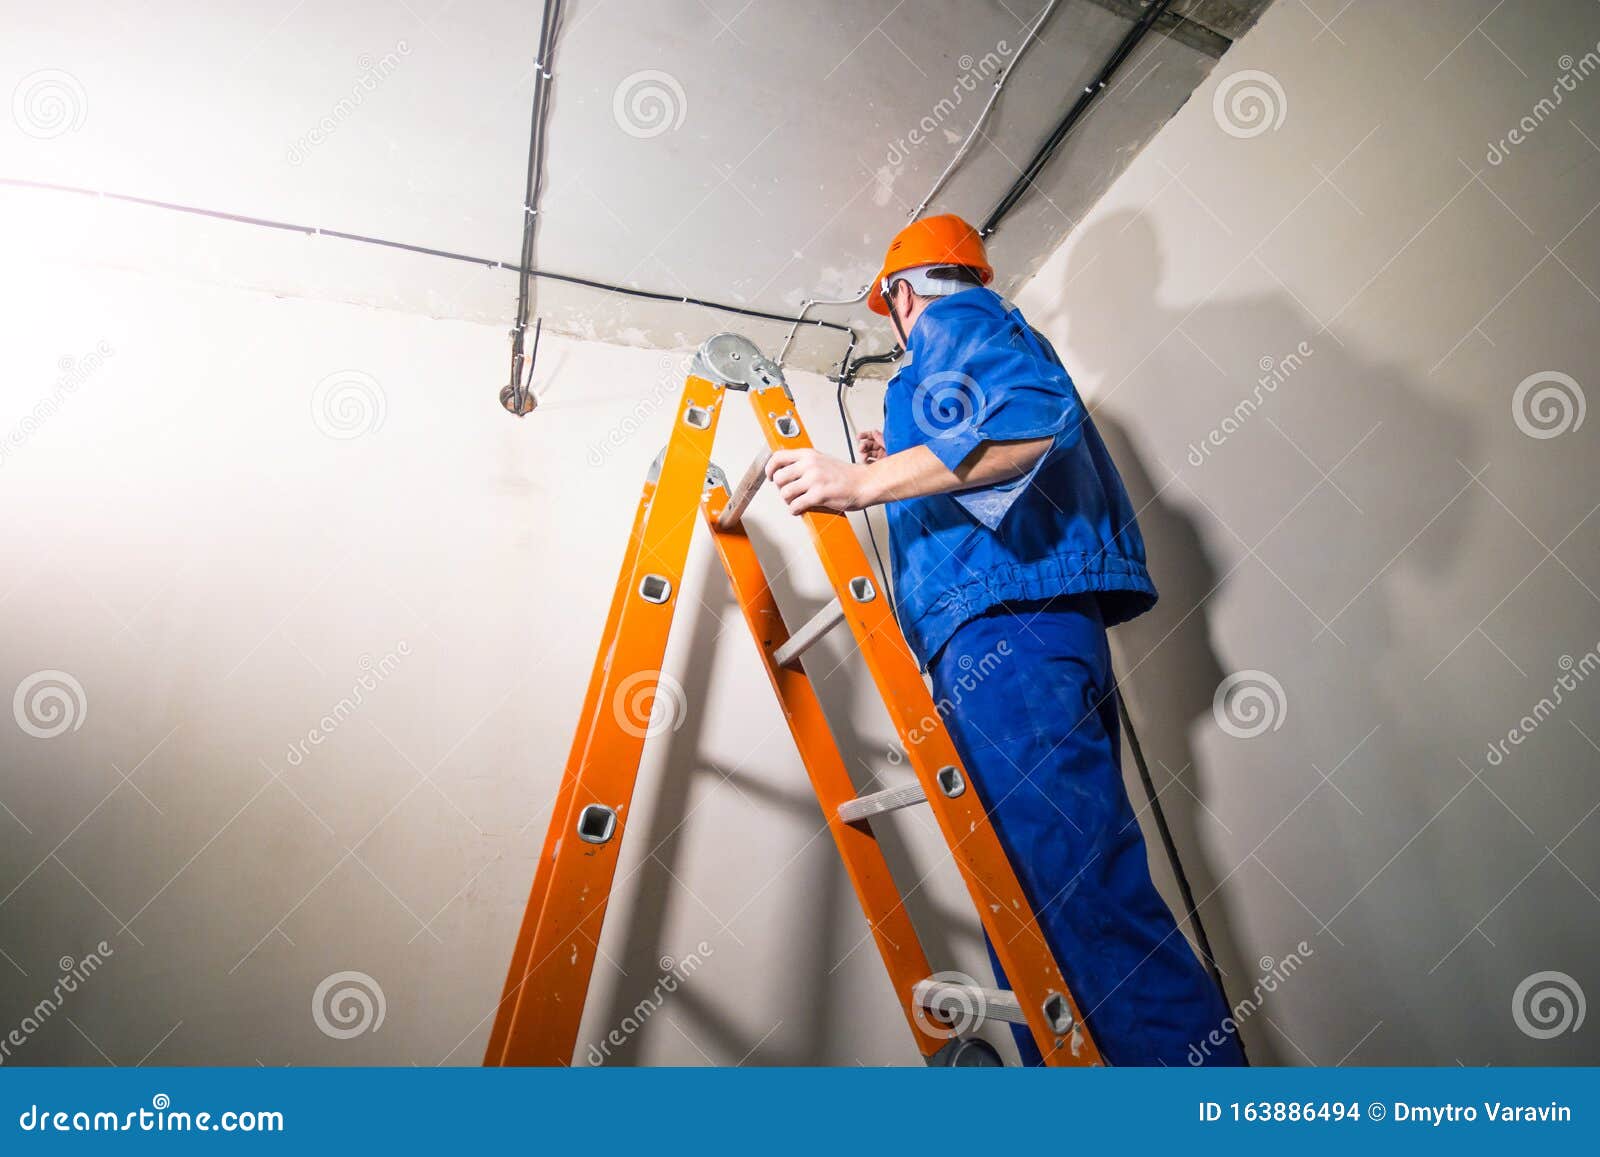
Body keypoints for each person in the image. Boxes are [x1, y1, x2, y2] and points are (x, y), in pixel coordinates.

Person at [762, 214, 1243, 1067]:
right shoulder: (972, 332)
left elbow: (1024, 425)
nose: (900, 325)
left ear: (905, 294)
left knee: (1077, 895)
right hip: (1015, 636)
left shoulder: (956, 322)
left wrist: (864, 479)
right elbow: (990, 441)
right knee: (1035, 907)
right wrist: (904, 450)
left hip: (1009, 639)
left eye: (893, 309)